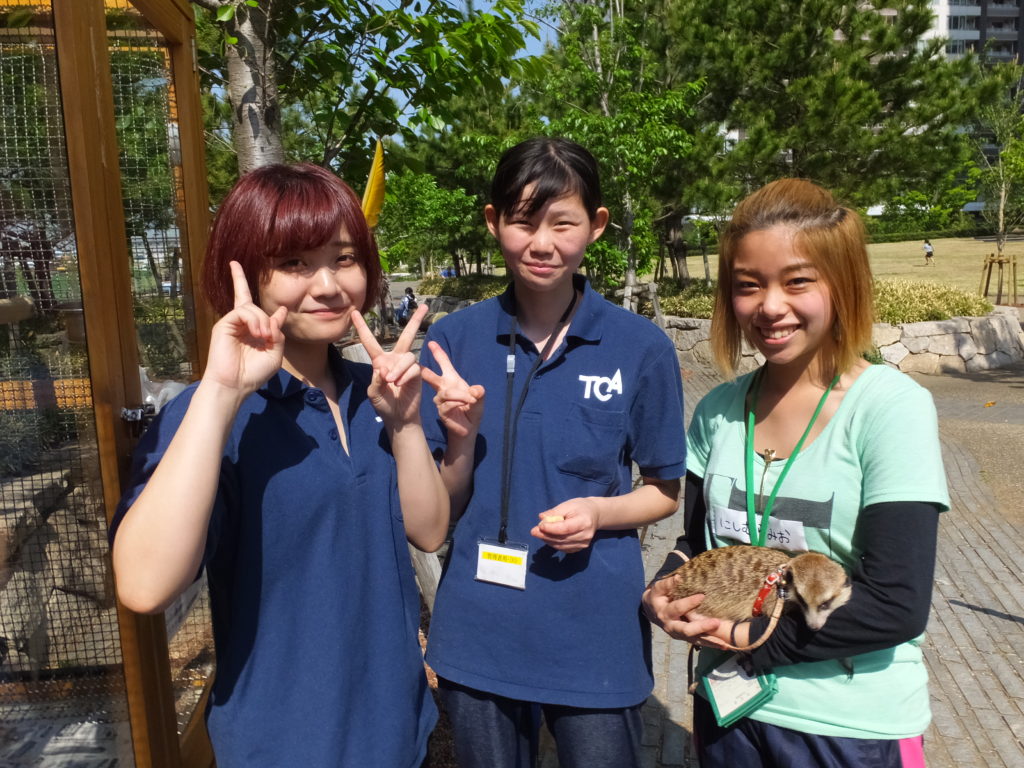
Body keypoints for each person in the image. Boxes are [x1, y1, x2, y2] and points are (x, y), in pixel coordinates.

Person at [109, 163, 446, 768]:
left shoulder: (378, 390)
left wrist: (406, 423)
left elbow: (429, 530)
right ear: (245, 273)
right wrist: (220, 392)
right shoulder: (212, 412)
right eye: (294, 263)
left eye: (344, 258)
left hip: (396, 727)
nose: (327, 285)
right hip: (282, 739)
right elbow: (142, 585)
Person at [642, 179, 949, 767]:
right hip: (730, 708)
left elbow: (895, 604)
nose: (770, 306)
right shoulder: (718, 411)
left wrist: (745, 637)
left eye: (797, 281)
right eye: (747, 286)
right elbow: (697, 542)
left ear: (843, 284)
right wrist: (663, 590)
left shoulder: (889, 408)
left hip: (847, 725)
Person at [418, 137, 687, 768]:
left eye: (562, 222)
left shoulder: (639, 348)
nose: (543, 243)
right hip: (479, 629)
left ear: (595, 226)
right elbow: (436, 511)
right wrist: (456, 436)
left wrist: (599, 512)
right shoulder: (454, 339)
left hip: (593, 630)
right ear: (493, 222)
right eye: (522, 220)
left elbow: (663, 491)